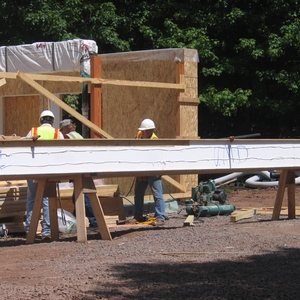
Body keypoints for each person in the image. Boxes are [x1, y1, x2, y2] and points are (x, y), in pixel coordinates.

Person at [25, 110, 64, 238]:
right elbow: (63, 151)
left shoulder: (33, 132)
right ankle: (46, 230)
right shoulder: (58, 133)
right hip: (50, 171)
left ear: (40, 121)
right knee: (47, 199)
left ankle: (30, 229)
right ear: (52, 121)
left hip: (33, 170)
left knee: (32, 199)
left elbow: (24, 147)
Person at [59, 119, 98, 229]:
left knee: (84, 198)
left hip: (79, 170)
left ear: (66, 128)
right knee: (76, 197)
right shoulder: (78, 135)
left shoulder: (67, 138)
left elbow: (67, 154)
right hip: (85, 168)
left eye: (62, 130)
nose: (61, 133)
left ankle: (95, 223)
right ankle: (75, 221)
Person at [129, 118, 166, 226]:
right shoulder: (139, 135)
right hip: (142, 170)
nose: (143, 132)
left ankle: (160, 218)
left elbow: (158, 157)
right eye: (143, 131)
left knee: (157, 195)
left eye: (146, 131)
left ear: (151, 131)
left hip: (153, 171)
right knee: (138, 194)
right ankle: (138, 216)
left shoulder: (155, 140)